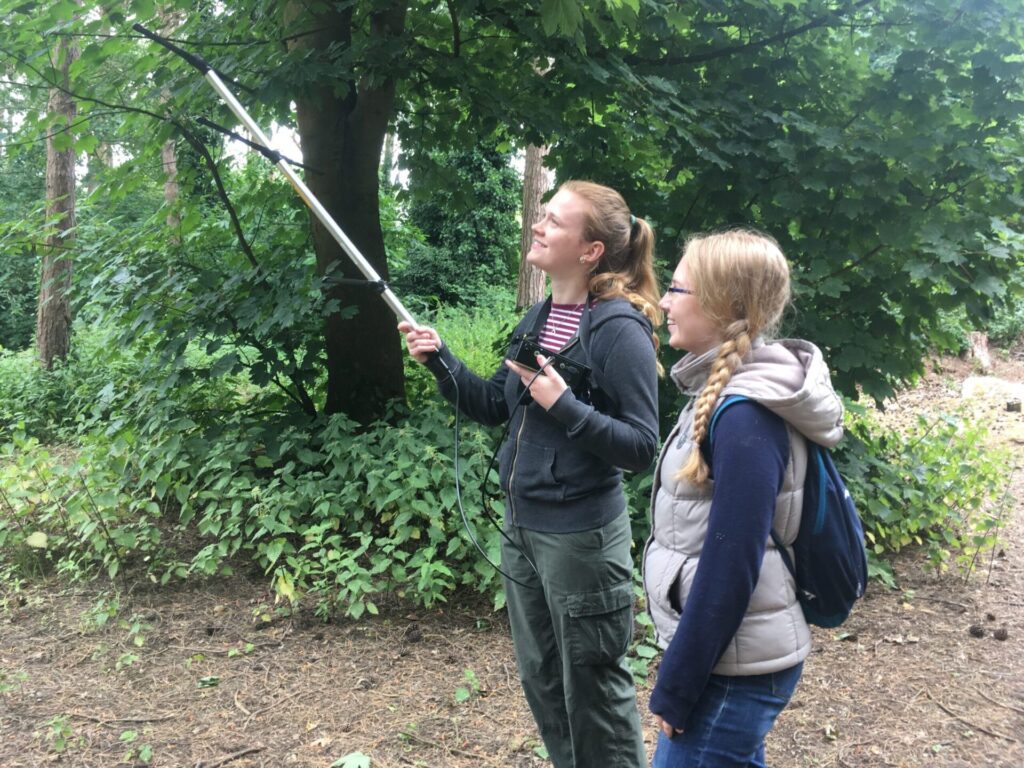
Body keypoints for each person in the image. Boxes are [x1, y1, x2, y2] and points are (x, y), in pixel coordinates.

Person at [399, 180, 661, 767]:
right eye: (541, 215)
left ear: (590, 250)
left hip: (581, 539)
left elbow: (642, 446)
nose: (538, 226)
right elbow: (496, 405)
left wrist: (565, 405)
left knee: (593, 688)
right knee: (543, 679)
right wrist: (441, 360)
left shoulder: (619, 328)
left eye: (555, 221)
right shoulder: (539, 315)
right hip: (521, 529)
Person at [643, 228, 845, 767]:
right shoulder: (730, 392)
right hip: (734, 653)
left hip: (735, 669)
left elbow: (733, 564)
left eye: (677, 290)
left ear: (720, 305)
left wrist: (679, 682)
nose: (663, 301)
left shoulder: (745, 414)